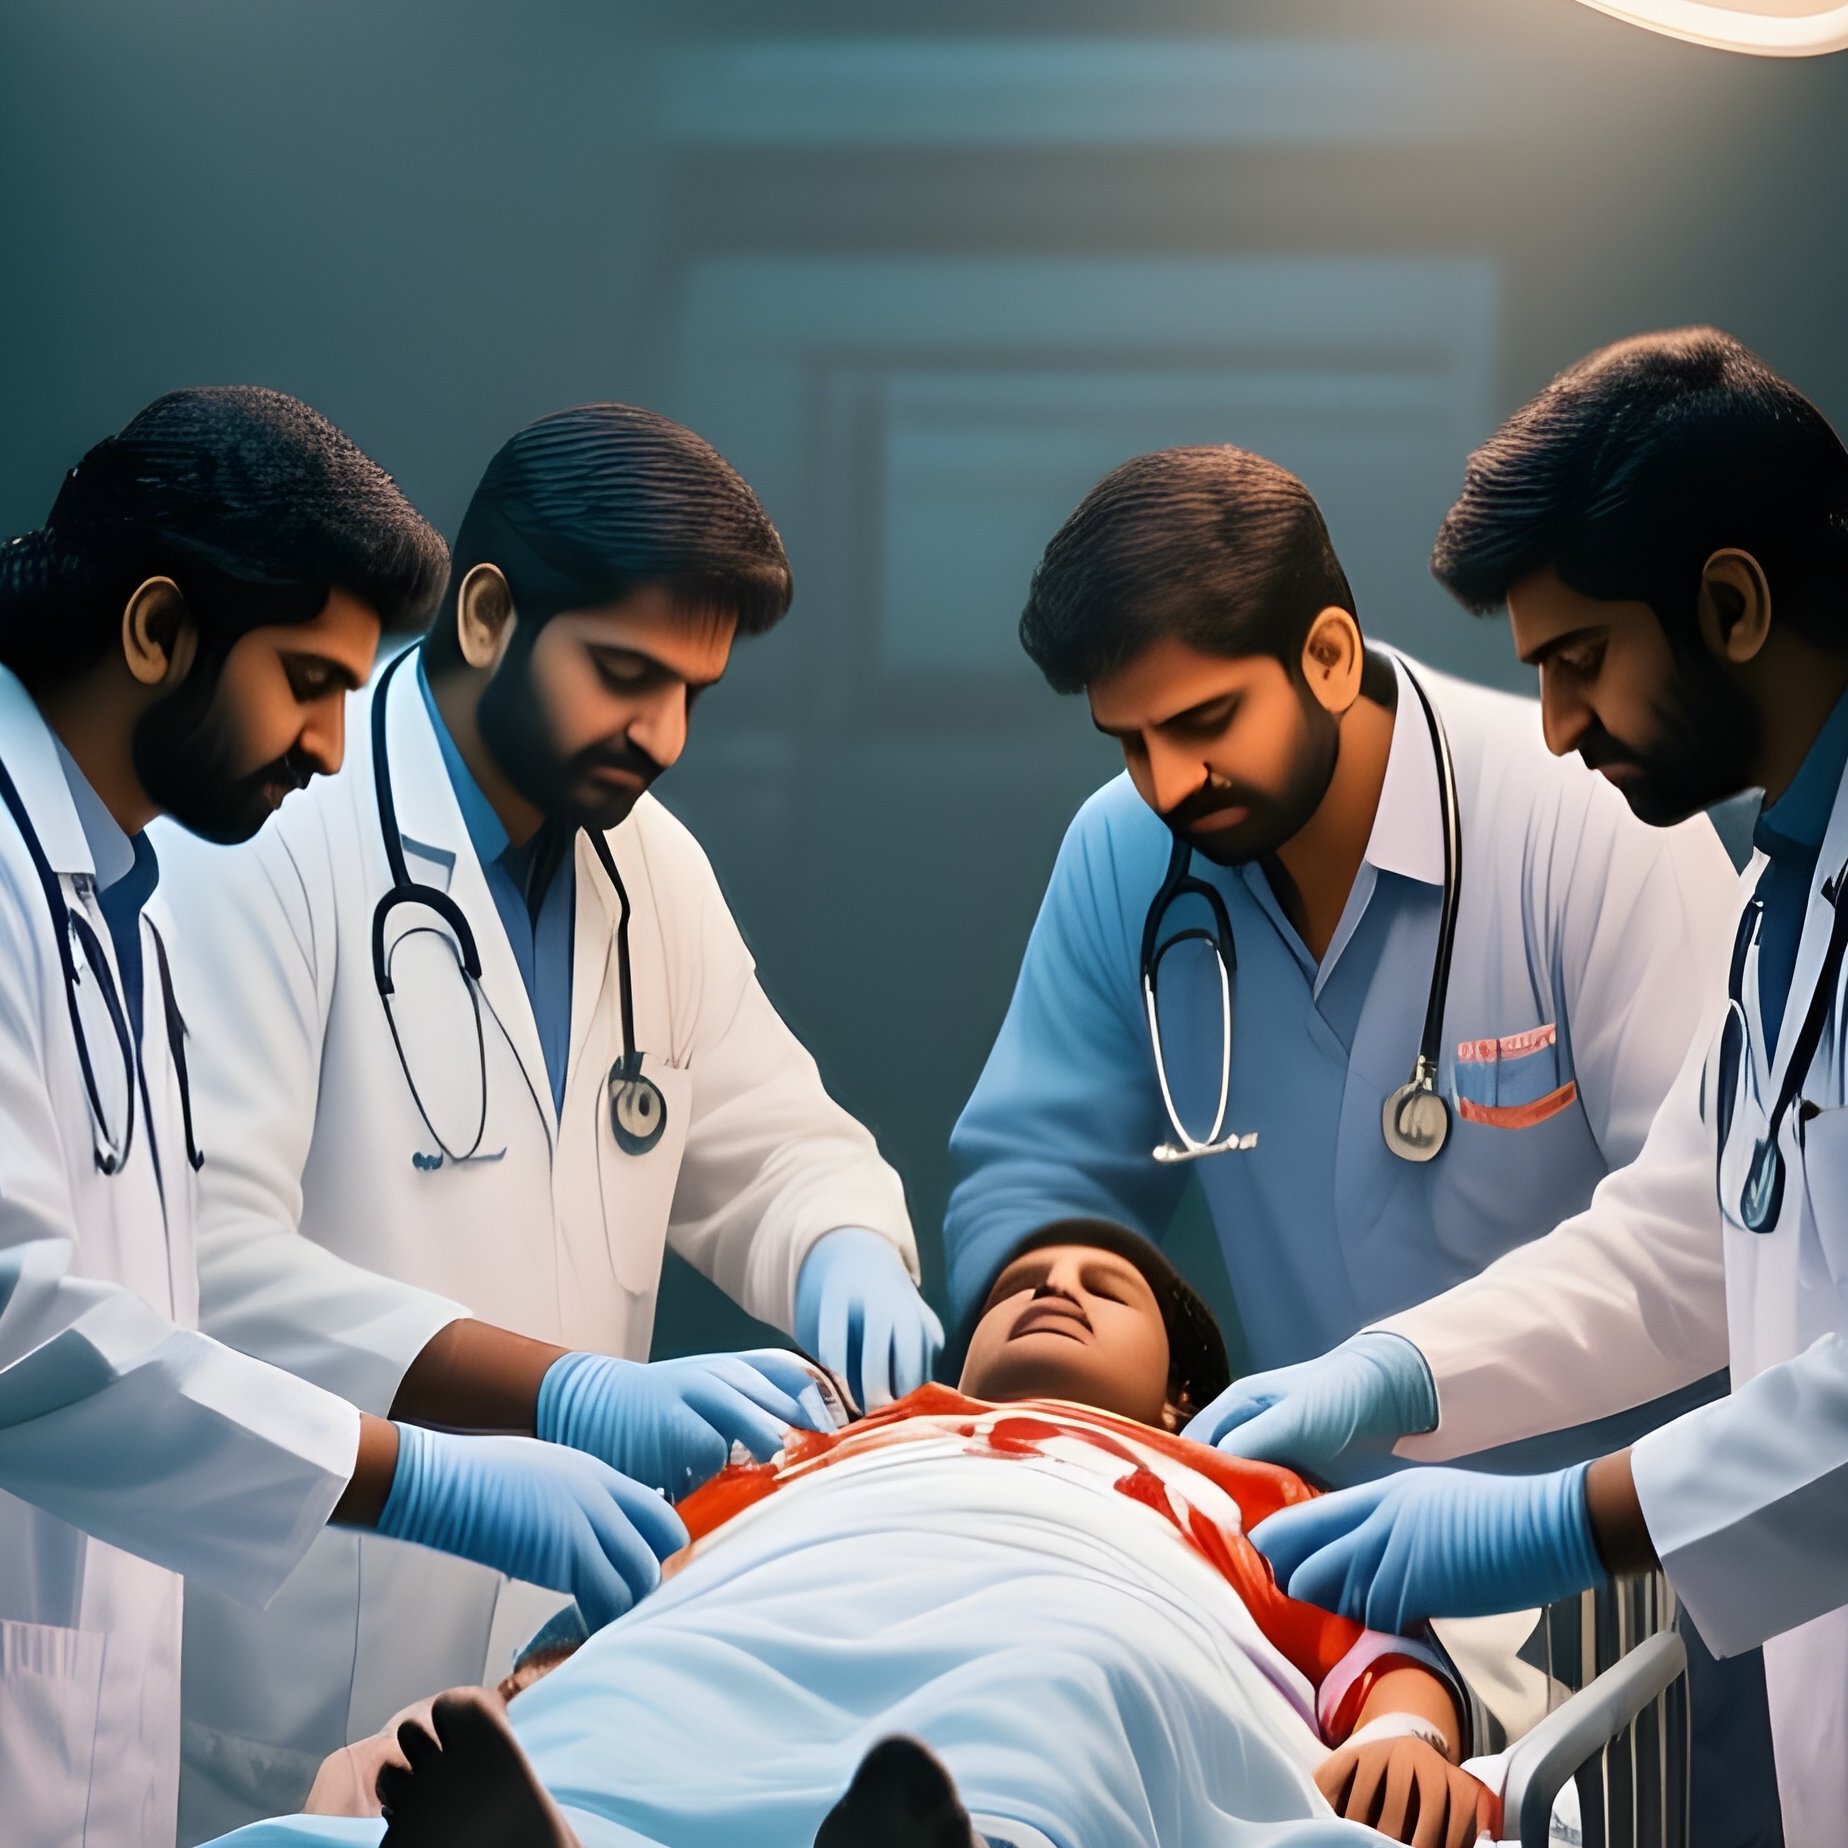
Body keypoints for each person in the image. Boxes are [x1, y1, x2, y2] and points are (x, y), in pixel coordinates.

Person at [0, 387, 774, 1846]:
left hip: (104, 1693)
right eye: (304, 681)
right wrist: (436, 1468)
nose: (332, 747)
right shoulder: (79, 866)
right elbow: (28, 1327)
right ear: (158, 632)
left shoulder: (116, 890)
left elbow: (137, 1296)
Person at [156, 402, 939, 1837]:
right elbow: (203, 1260)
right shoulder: (277, 827)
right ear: (489, 611)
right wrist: (568, 1393)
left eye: (697, 691)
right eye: (627, 675)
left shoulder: (648, 866)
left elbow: (776, 1145)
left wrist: (845, 1256)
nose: (665, 735)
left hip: (536, 1687)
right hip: (274, 1680)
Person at [1197, 328, 1848, 1845]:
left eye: (1580, 662)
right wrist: (1395, 1371)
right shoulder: (1785, 897)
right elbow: (1681, 1244)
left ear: (1733, 606)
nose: (1558, 728)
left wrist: (1564, 1520)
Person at [944, 443, 1736, 1475]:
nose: (1171, 783)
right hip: (1315, 1558)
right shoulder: (1125, 853)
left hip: (1605, 1563)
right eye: (1130, 743)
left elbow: (1712, 1234)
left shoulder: (1590, 822)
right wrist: (1043, 1325)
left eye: (1204, 722)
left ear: (1326, 656)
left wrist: (1406, 1370)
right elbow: (1042, 1175)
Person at [209, 1221, 1502, 1848]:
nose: (1051, 1287)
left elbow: (1376, 1646)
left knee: (1044, 1688)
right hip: (751, 1628)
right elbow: (630, 1610)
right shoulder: (811, 1453)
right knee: (627, 1714)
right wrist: (488, 1703)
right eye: (1018, 1287)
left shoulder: (1239, 1486)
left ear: (1179, 1394)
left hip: (1085, 1614)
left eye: (1100, 1288)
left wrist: (1407, 1739)